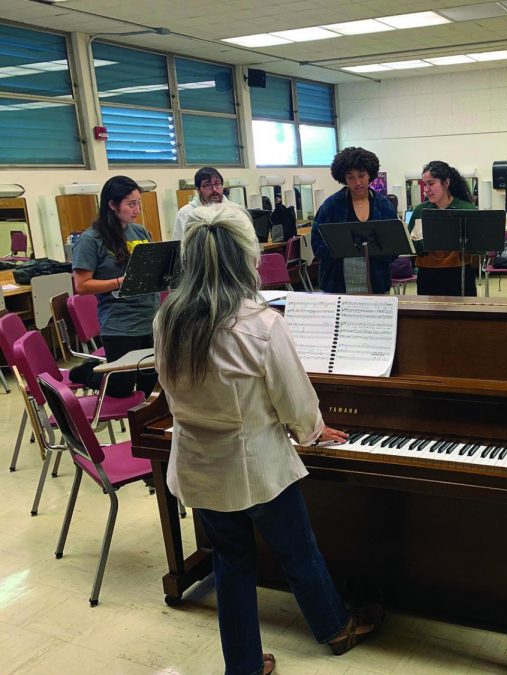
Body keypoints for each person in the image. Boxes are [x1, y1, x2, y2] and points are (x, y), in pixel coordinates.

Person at [154, 203, 384, 675]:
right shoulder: (260, 324)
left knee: (232, 563)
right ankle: (336, 629)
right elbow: (296, 402)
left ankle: (243, 665)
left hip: (200, 463)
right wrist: (314, 432)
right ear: (245, 260)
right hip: (257, 466)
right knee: (298, 552)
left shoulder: (169, 320)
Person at [71, 175, 159, 398]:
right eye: (131, 204)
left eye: (138, 202)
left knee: (151, 382)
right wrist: (120, 282)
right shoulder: (91, 240)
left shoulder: (139, 232)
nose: (137, 209)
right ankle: (85, 372)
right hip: (120, 324)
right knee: (120, 387)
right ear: (112, 204)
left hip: (150, 318)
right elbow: (82, 286)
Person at [311, 147, 398, 294]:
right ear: (343, 178)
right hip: (338, 282)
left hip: (376, 281)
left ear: (370, 175)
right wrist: (344, 247)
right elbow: (317, 244)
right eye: (351, 177)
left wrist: (377, 250)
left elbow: (395, 244)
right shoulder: (331, 206)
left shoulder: (384, 206)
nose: (357, 182)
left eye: (362, 175)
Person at [407, 161, 478, 296]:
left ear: (446, 183)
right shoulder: (420, 211)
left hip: (459, 273)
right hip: (427, 275)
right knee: (429, 316)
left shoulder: (466, 209)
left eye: (431, 183)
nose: (426, 189)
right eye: (425, 184)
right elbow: (411, 243)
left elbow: (477, 246)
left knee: (462, 315)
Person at [172, 166, 230, 240]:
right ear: (198, 190)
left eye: (217, 184)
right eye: (207, 185)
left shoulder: (234, 210)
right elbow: (179, 245)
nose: (214, 189)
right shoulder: (185, 213)